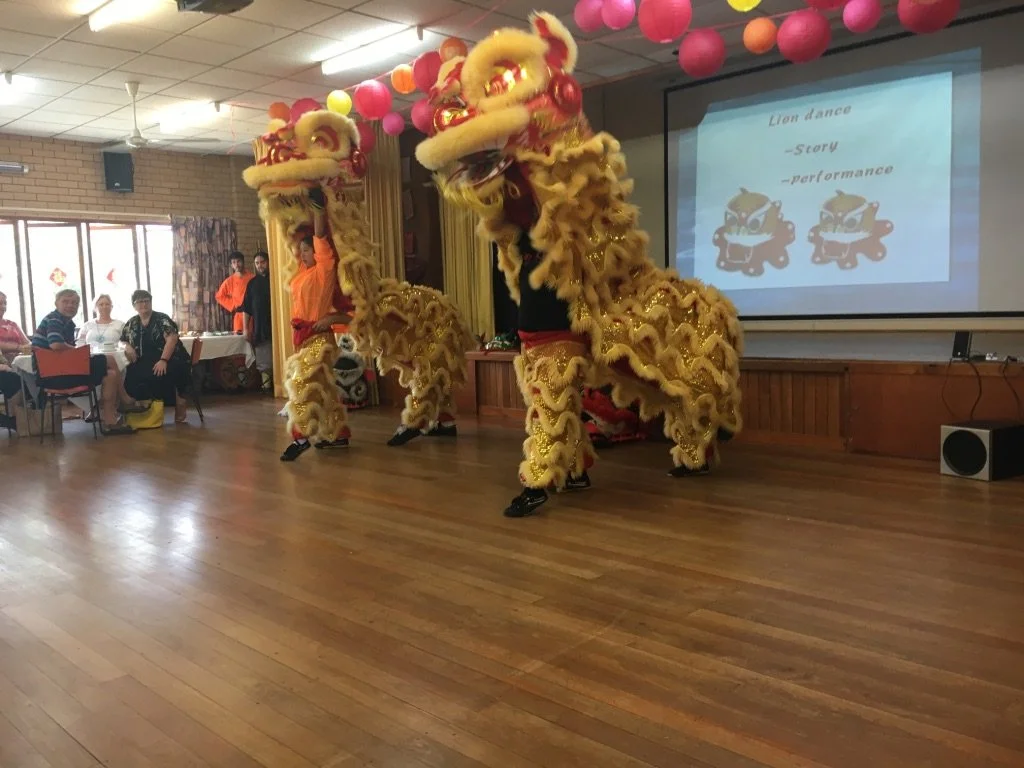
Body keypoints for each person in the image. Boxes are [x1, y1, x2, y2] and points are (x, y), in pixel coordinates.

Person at [280, 190, 352, 461]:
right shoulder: (303, 273)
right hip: (304, 339)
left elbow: (321, 237)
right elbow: (294, 240)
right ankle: (338, 434)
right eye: (302, 251)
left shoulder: (323, 270)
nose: (303, 254)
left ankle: (300, 437)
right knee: (326, 390)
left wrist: (318, 208)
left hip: (320, 339)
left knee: (302, 384)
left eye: (307, 250)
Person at [30, 289, 133, 436]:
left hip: (58, 372)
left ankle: (110, 421)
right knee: (109, 359)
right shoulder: (54, 319)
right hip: (54, 375)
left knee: (110, 374)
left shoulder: (68, 323)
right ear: (56, 303)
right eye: (65, 301)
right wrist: (79, 351)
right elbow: (56, 345)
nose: (70, 305)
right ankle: (124, 399)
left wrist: (79, 353)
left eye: (74, 303)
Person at [120, 289, 192, 424]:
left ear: (151, 302)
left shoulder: (162, 319)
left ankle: (176, 403)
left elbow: (172, 339)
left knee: (154, 372)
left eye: (147, 301)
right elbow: (122, 340)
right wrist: (128, 347)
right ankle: (141, 411)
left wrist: (163, 360)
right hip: (147, 360)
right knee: (130, 372)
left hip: (172, 358)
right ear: (134, 306)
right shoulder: (131, 323)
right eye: (139, 302)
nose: (144, 304)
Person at [241, 249, 273, 393]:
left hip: (279, 327)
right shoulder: (252, 284)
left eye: (263, 262)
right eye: (257, 263)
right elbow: (246, 309)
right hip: (261, 328)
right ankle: (267, 386)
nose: (260, 265)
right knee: (264, 360)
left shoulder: (276, 281)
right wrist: (246, 329)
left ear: (268, 262)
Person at [215, 251, 254, 335]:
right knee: (240, 342)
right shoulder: (229, 281)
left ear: (243, 262)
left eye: (239, 261)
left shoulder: (253, 278)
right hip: (239, 316)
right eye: (234, 262)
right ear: (232, 265)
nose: (237, 264)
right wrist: (233, 305)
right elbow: (219, 296)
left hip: (253, 316)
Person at [0, 290, 30, 364]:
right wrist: (18, 348)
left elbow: (28, 343)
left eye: (5, 303)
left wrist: (27, 348)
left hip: (19, 362)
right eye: (0, 303)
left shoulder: (13, 324)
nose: (3, 306)